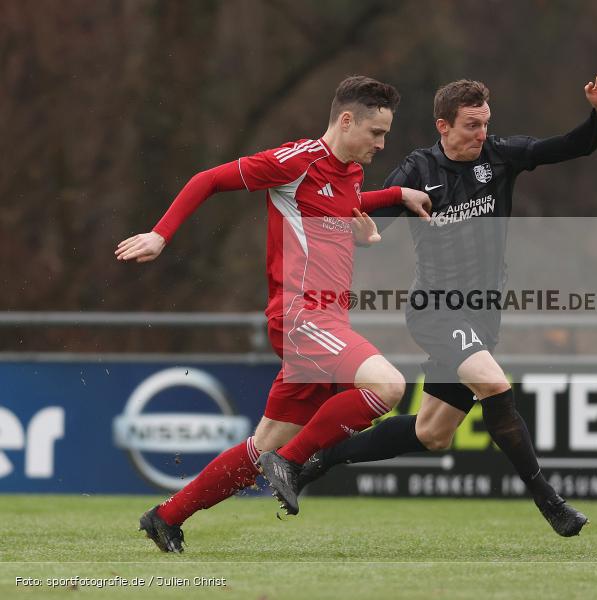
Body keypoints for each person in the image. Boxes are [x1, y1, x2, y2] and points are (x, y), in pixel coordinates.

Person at [262, 73, 597, 537]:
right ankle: (550, 502)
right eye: (471, 125)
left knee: (433, 433)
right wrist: (367, 236)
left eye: (485, 124)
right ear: (443, 126)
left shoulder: (501, 156)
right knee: (495, 384)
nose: (482, 134)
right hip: (436, 309)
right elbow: (368, 219)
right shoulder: (418, 170)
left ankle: (316, 462)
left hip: (483, 315)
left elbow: (573, 146)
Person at [116, 76, 431, 552]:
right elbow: (209, 180)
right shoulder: (295, 161)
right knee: (387, 387)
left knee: (261, 446)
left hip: (326, 322)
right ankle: (295, 462)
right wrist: (162, 234)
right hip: (302, 316)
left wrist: (396, 198)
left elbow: (344, 205)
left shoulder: (349, 172)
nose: (381, 145)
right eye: (376, 133)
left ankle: (166, 517)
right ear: (346, 121)